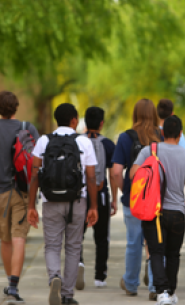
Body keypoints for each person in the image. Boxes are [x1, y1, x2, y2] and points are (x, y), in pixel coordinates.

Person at [27, 103, 98, 305]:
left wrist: (31, 206)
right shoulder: (84, 142)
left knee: (51, 246)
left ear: (56, 120)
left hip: (51, 201)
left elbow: (34, 175)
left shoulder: (43, 141)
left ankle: (54, 278)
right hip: (77, 201)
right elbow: (91, 178)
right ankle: (67, 295)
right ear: (74, 120)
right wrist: (93, 207)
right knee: (74, 247)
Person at [130, 115, 185, 305]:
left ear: (162, 133)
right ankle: (170, 291)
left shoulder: (149, 151)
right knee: (173, 254)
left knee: (155, 252)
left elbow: (133, 174)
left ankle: (161, 292)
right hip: (178, 213)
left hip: (154, 212)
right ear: (180, 134)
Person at [0, 91, 39, 303]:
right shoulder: (28, 128)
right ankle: (14, 286)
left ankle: (9, 282)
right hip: (23, 191)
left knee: (5, 239)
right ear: (16, 107)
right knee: (19, 237)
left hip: (0, 191)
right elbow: (36, 163)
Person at [111, 99, 160, 300]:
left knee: (134, 242)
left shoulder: (125, 137)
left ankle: (131, 284)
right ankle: (155, 286)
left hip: (134, 201)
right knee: (155, 242)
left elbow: (115, 172)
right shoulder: (161, 136)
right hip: (156, 199)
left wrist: (126, 190)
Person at [77, 107, 117, 289]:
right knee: (101, 238)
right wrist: (114, 199)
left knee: (76, 235)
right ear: (102, 123)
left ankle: (78, 263)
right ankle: (100, 276)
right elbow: (114, 173)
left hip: (79, 195)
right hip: (100, 195)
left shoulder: (77, 141)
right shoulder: (108, 144)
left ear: (84, 123)